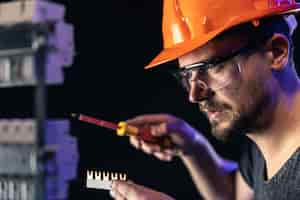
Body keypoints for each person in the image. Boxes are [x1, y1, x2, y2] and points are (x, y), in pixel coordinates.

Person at [109, 0, 300, 199]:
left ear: (276, 52)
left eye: (211, 67)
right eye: (187, 76)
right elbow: (236, 196)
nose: (194, 95)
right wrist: (192, 146)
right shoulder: (261, 142)